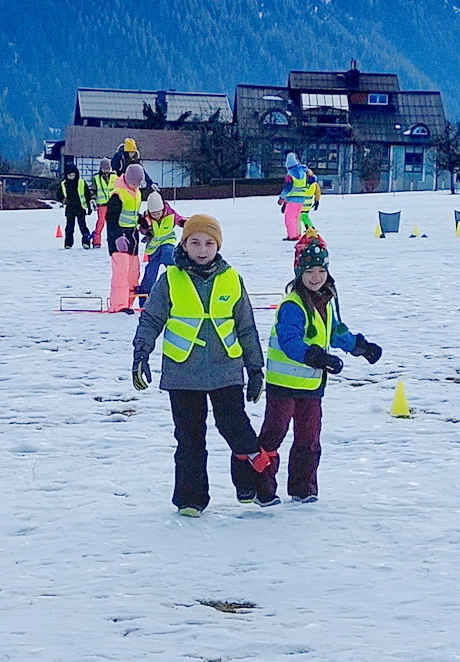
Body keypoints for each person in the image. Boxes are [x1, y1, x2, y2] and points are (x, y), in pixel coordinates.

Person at [130, 214, 272, 515]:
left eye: (209, 243)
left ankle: (252, 485)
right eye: (195, 242)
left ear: (217, 245)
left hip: (226, 369)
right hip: (183, 372)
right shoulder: (170, 279)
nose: (202, 249)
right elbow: (152, 318)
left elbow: (246, 326)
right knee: (189, 437)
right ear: (185, 244)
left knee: (236, 428)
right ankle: (190, 499)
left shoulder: (232, 278)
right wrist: (141, 353)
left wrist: (255, 368)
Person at [258, 229, 382, 505]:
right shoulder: (293, 305)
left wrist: (360, 347)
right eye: (310, 271)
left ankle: (304, 487)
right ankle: (262, 487)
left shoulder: (326, 301)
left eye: (320, 270)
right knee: (273, 434)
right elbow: (290, 341)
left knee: (309, 437)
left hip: (311, 387)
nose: (316, 277)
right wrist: (317, 357)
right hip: (283, 385)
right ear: (299, 273)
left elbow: (335, 332)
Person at [105, 163, 145, 312]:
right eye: (134, 182)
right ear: (127, 179)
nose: (136, 185)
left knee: (133, 275)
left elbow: (132, 214)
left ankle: (128, 303)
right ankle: (118, 305)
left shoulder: (136, 192)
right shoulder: (118, 194)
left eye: (138, 183)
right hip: (119, 240)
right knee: (121, 274)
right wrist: (117, 237)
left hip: (132, 239)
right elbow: (111, 219)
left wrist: (142, 222)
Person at [137, 191, 186, 309]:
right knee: (150, 273)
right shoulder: (147, 217)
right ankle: (144, 299)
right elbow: (142, 229)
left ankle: (180, 279)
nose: (156, 215)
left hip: (167, 242)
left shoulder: (170, 214)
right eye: (153, 213)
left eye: (158, 213)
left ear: (162, 208)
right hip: (153, 249)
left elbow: (180, 219)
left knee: (168, 254)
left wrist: (185, 223)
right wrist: (143, 228)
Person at [277, 153, 312, 241]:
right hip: (302, 199)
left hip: (292, 199)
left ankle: (292, 236)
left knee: (289, 218)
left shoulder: (290, 174)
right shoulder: (303, 172)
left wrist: (282, 198)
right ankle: (297, 233)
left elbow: (288, 187)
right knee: (296, 218)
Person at [59, 164, 94, 249]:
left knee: (83, 226)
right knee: (69, 228)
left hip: (80, 208)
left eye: (73, 175)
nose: (71, 177)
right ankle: (68, 244)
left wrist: (89, 207)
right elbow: (59, 195)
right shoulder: (64, 184)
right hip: (70, 209)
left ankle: (86, 242)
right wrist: (63, 200)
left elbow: (87, 195)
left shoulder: (81, 182)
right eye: (69, 175)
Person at [91, 158, 115, 248]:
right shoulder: (96, 178)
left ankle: (112, 240)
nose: (106, 170)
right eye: (104, 168)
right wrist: (93, 199)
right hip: (101, 204)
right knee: (100, 222)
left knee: (112, 223)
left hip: (112, 204)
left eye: (107, 168)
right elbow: (93, 190)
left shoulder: (115, 177)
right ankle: (96, 241)